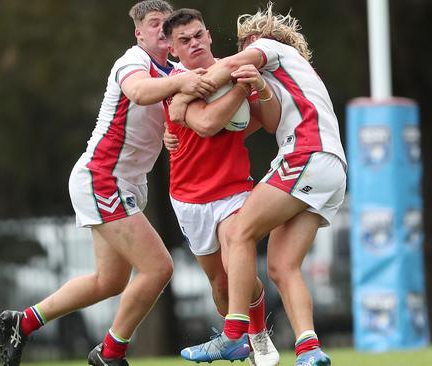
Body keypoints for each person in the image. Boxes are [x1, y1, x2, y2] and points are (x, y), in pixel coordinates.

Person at [0, 2, 218, 366]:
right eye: (154, 24)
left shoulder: (174, 70)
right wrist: (180, 84)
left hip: (124, 184)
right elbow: (139, 92)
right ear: (139, 33)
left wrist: (171, 127)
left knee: (109, 281)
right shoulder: (132, 62)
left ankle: (24, 322)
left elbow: (177, 107)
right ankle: (110, 354)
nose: (162, 30)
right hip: (103, 179)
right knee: (159, 267)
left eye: (167, 24)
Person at [170, 3, 347, 366]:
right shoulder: (287, 77)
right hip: (329, 168)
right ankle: (309, 350)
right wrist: (258, 89)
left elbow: (232, 66)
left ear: (256, 40)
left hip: (306, 155)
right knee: (283, 265)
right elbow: (267, 120)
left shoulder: (274, 50)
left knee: (239, 234)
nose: (239, 53)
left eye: (244, 46)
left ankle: (234, 335)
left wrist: (184, 93)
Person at [161, 9, 280, 366]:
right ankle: (240, 341)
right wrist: (242, 88)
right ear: (172, 49)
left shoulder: (234, 68)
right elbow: (209, 123)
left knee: (238, 258)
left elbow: (268, 122)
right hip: (189, 197)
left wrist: (255, 88)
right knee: (221, 285)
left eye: (198, 35)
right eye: (184, 40)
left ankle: (253, 336)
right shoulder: (176, 83)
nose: (193, 43)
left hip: (233, 190)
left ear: (209, 35)